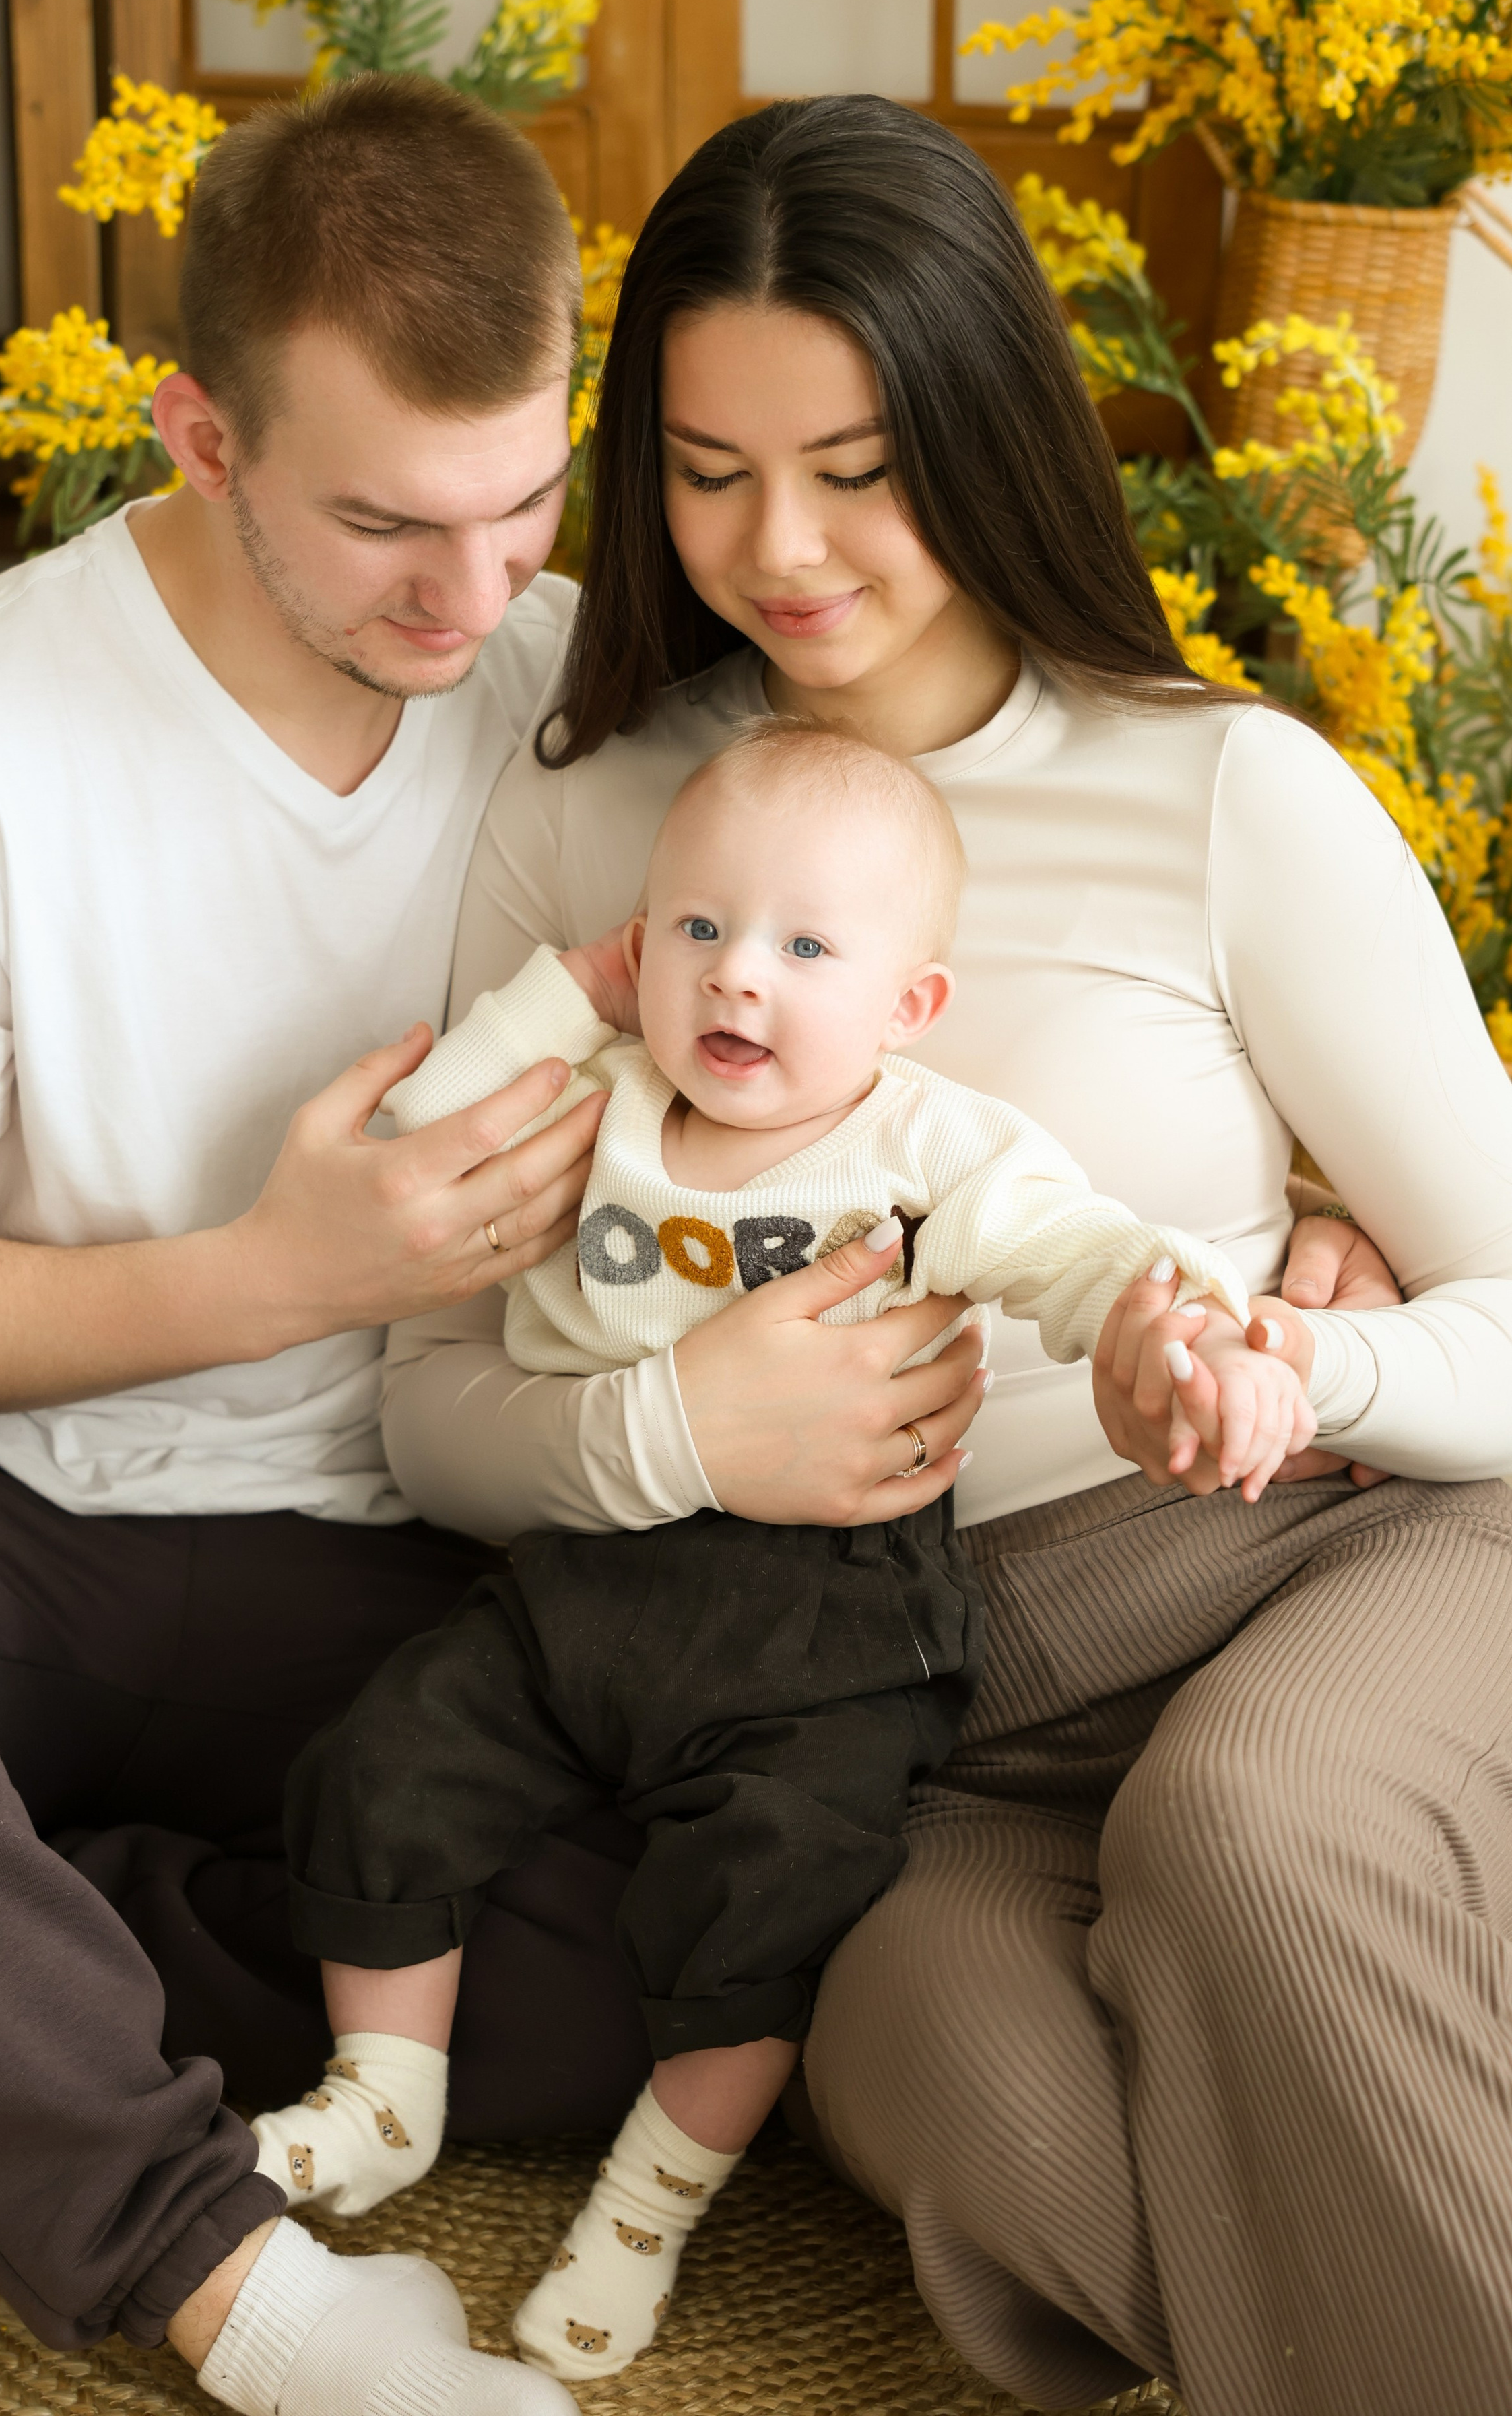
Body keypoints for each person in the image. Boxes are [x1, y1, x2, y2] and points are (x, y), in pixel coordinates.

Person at [377, 94, 1512, 2416]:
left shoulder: (1224, 794)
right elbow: (430, 1402)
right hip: (910, 1721)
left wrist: (1305, 1376)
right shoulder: (605, 827)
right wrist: (677, 1425)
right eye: (706, 469)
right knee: (976, 2123)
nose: (777, 547)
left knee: (1249, 1841)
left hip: (1311, 1558)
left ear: (987, 428)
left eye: (858, 463)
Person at [0, 73, 638, 2416]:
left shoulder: (585, 691)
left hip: (405, 1583)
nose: (473, 602)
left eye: (525, 500)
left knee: (726, 1911)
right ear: (201, 437)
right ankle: (232, 2287)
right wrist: (282, 1271)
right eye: (385, 525)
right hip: (4, 1530)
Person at [244, 714, 1311, 2384]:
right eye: (696, 930)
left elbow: (1079, 1249)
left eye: (804, 947)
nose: (736, 979)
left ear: (908, 1006)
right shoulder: (598, 1095)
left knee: (769, 1893)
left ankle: (649, 2205)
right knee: (386, 1756)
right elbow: (414, 1147)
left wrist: (1194, 1336)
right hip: (587, 1568)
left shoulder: (917, 1145)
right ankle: (383, 2094)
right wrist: (561, 997)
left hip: (828, 1619)